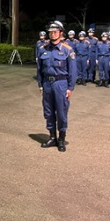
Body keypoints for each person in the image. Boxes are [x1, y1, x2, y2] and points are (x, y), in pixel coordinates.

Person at [37, 20, 77, 152]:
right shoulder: (43, 49)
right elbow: (39, 69)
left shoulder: (67, 50)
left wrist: (70, 88)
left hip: (61, 84)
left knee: (61, 112)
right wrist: (40, 84)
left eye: (55, 32)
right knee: (48, 112)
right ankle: (52, 137)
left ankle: (61, 139)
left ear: (60, 33)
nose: (53, 34)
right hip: (47, 84)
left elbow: (73, 71)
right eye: (51, 32)